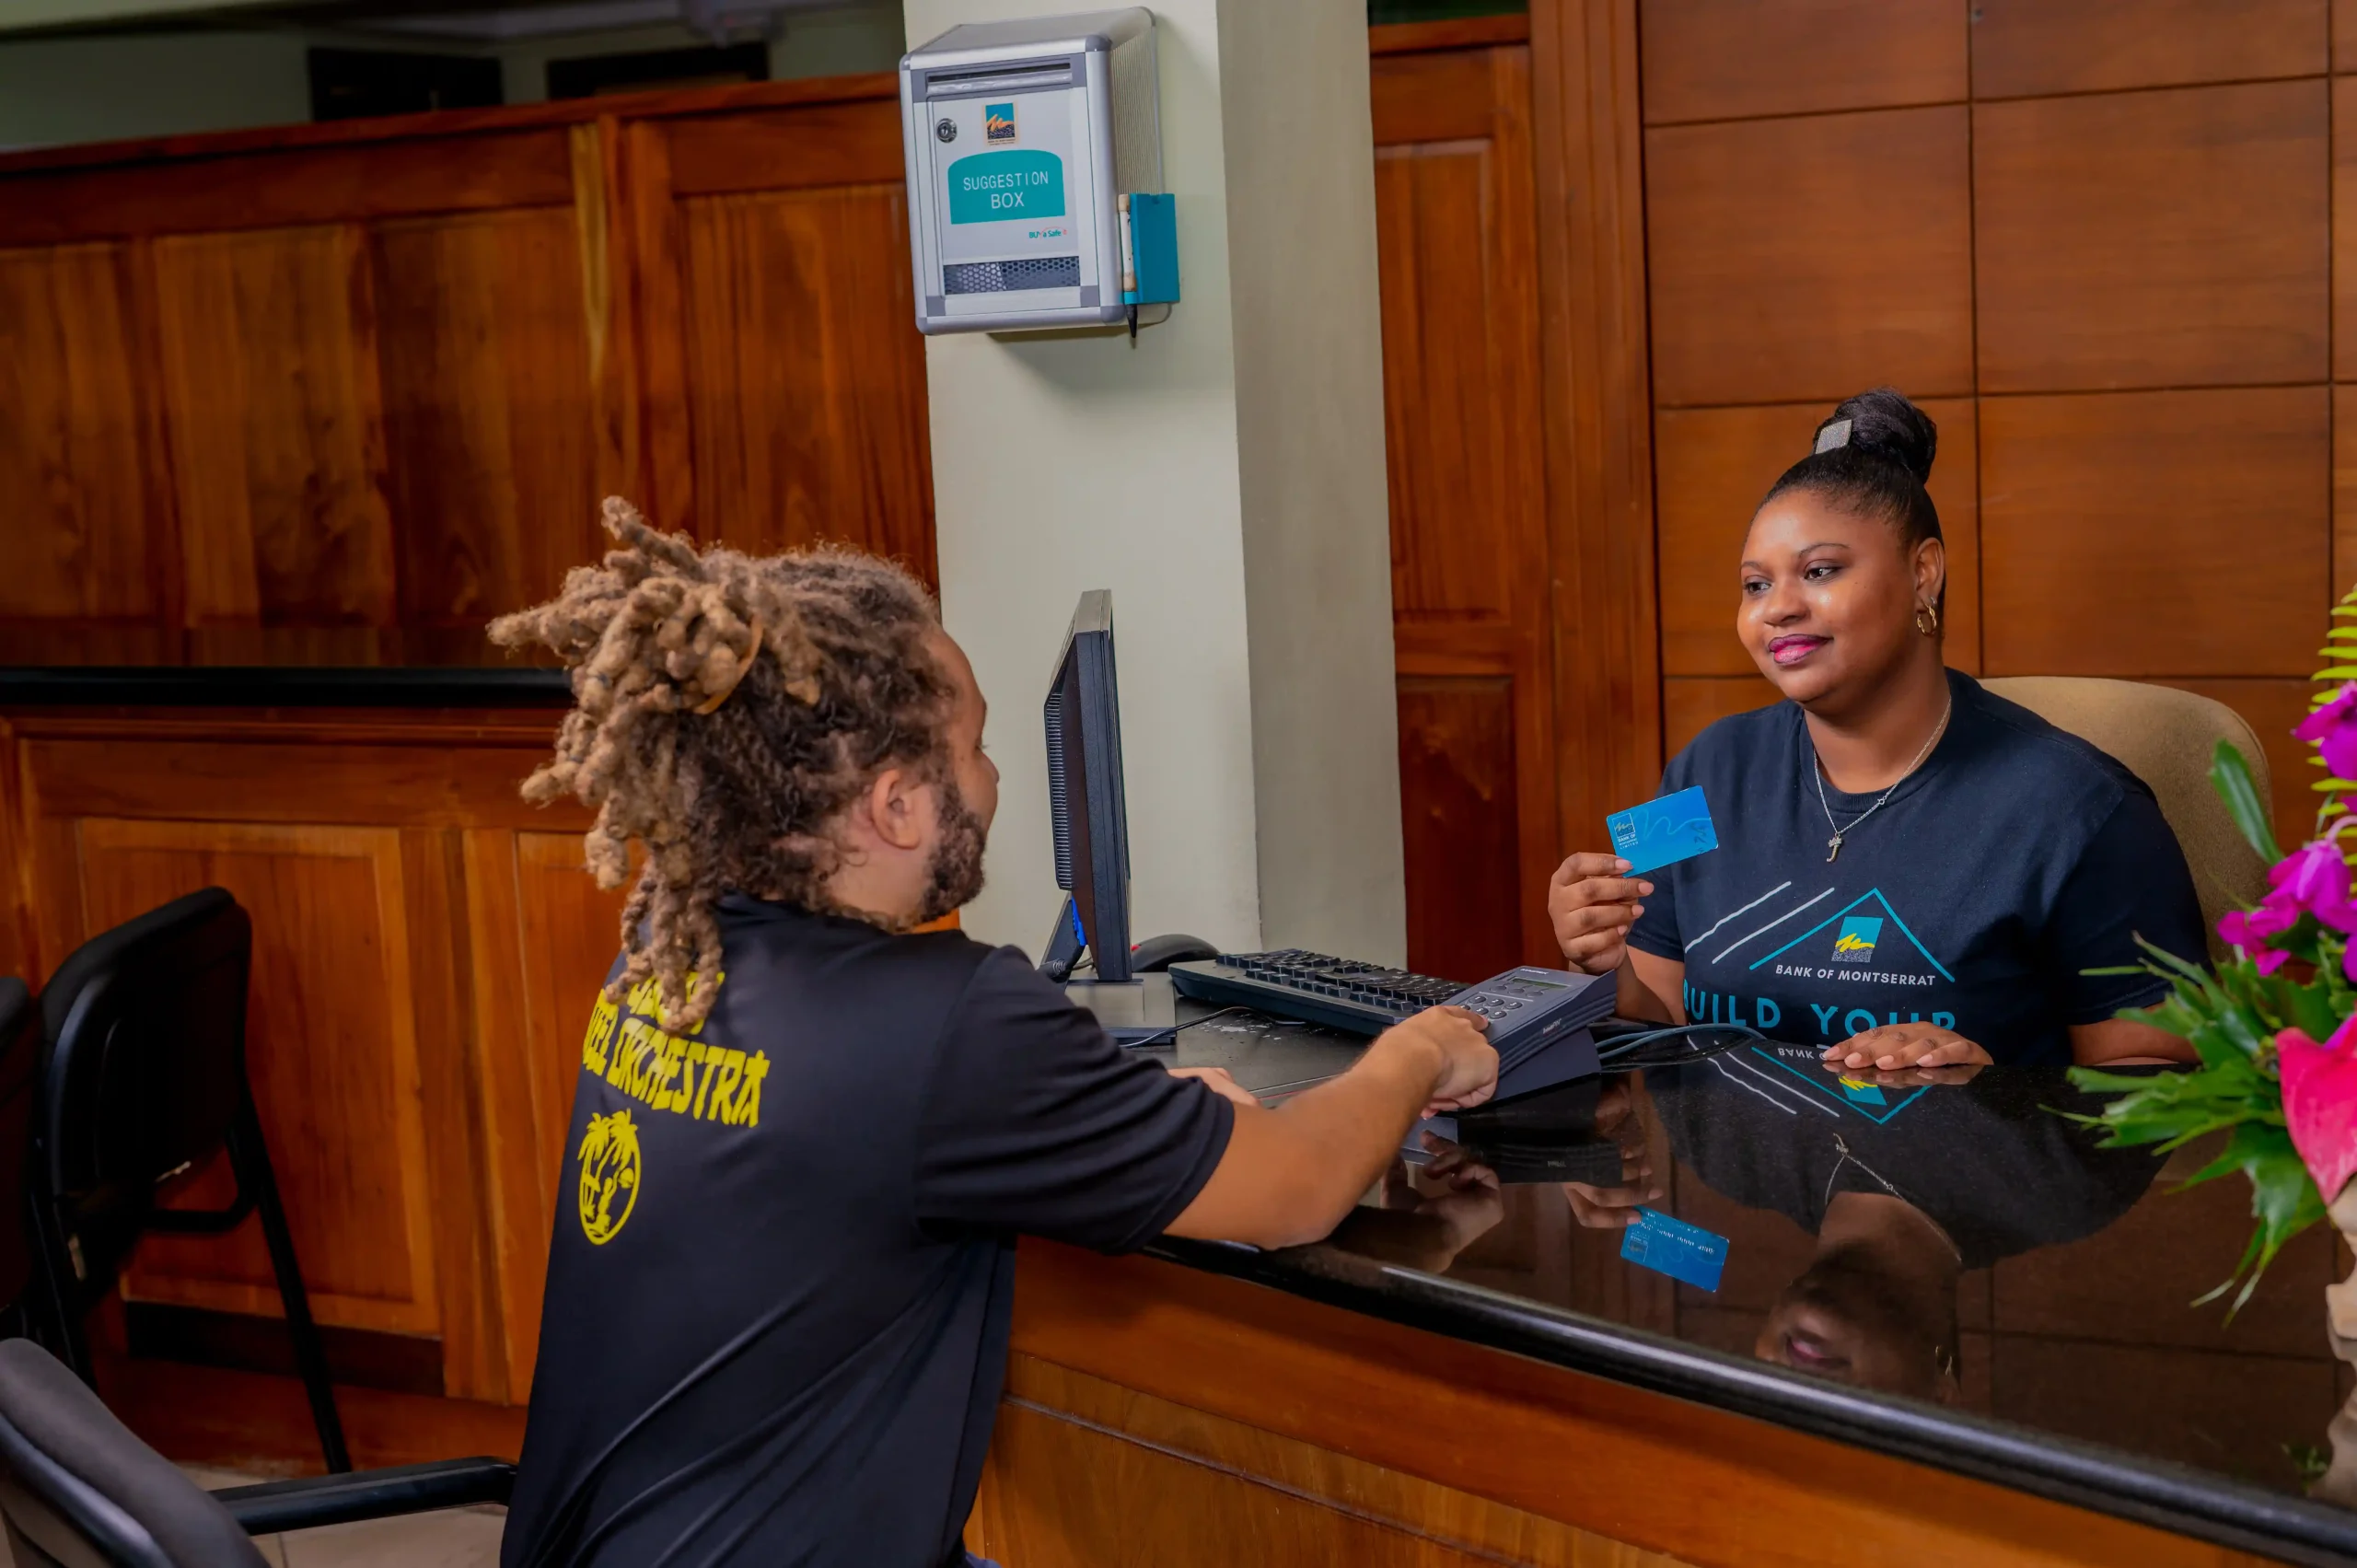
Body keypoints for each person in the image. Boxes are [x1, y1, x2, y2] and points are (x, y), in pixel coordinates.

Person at [491, 500, 1497, 1568]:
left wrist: (1117, 1114)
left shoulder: (666, 942)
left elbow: (835, 1150)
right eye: (972, 747)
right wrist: (1420, 1048)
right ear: (897, 806)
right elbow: (1298, 1185)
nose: (994, 776)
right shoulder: (949, 1023)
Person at [1548, 389, 2204, 1070]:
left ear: (1923, 573)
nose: (1777, 609)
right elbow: (1654, 1028)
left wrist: (1993, 1089)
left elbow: (2164, 1086)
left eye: (1820, 571)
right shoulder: (1698, 773)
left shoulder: (2088, 809)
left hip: (1974, 1147)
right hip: (1729, 1148)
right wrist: (1598, 962)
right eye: (1755, 585)